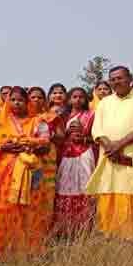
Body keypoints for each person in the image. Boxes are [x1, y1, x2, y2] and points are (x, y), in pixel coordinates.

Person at [86, 66, 133, 239]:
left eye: (120, 78)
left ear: (130, 78)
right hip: (109, 159)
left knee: (132, 193)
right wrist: (109, 146)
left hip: (132, 159)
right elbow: (97, 130)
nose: (116, 81)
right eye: (113, 79)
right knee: (108, 193)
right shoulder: (105, 102)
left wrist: (119, 145)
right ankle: (109, 235)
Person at [0, 87, 51, 257]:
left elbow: (46, 146)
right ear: (8, 102)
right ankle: (7, 254)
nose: (16, 103)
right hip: (6, 174)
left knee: (32, 210)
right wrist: (3, 147)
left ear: (27, 102)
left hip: (32, 172)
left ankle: (32, 253)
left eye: (20, 100)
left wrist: (28, 144)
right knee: (5, 210)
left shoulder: (38, 121)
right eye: (13, 100)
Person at [55, 87, 96, 237]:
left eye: (81, 97)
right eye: (74, 96)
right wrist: (66, 134)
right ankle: (66, 229)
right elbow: (57, 137)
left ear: (86, 99)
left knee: (85, 189)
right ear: (69, 99)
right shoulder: (62, 116)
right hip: (66, 156)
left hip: (84, 155)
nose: (78, 99)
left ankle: (85, 228)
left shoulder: (91, 115)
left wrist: (84, 139)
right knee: (64, 188)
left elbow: (97, 138)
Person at [29, 87, 62, 235]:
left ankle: (43, 233)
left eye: (39, 97)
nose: (36, 100)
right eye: (33, 97)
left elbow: (61, 137)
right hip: (28, 160)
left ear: (45, 100)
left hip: (48, 159)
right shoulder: (24, 118)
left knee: (46, 196)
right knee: (30, 192)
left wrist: (50, 135)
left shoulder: (51, 116)